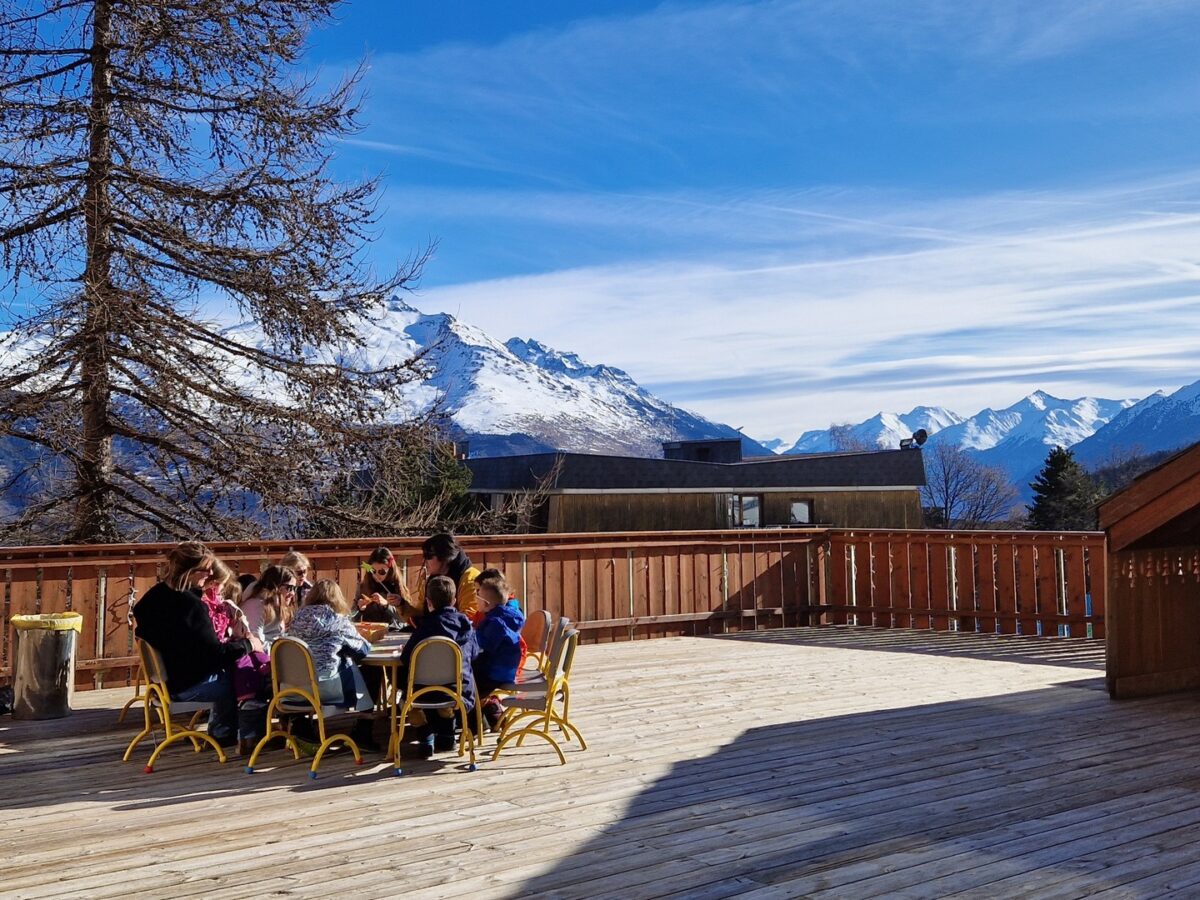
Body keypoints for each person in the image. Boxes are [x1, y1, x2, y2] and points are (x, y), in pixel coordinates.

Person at [132, 542, 250, 747]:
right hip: (186, 684)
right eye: (205, 570)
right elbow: (215, 656)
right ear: (188, 571)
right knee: (246, 677)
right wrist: (247, 645)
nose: (211, 573)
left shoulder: (152, 599)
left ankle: (220, 729)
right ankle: (228, 734)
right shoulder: (191, 606)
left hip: (163, 682)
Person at [286, 579, 378, 751]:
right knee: (355, 665)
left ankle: (300, 724)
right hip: (327, 687)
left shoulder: (296, 619)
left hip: (295, 687)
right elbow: (363, 650)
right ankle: (364, 726)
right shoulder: (338, 621)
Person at [398, 574, 478, 757]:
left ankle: (425, 735)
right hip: (457, 689)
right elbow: (473, 654)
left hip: (421, 690)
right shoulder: (465, 625)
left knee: (407, 697)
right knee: (445, 693)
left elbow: (406, 658)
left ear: (428, 602)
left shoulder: (424, 627)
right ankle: (447, 733)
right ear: (455, 600)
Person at [472, 569, 526, 731]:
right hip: (504, 666)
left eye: (478, 595)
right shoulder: (504, 615)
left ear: (487, 603)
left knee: (466, 683)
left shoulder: (496, 622)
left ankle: (474, 725)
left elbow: (482, 645)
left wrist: (469, 635)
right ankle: (484, 718)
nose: (475, 598)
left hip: (497, 671)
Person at [417, 533, 481, 621]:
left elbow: (469, 618)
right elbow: (419, 613)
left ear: (444, 556)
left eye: (428, 556)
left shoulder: (471, 578)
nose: (424, 560)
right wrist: (401, 604)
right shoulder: (430, 579)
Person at [241, 565, 297, 649]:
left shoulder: (277, 605)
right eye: (289, 588)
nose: (292, 593)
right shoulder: (256, 605)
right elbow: (254, 641)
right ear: (276, 586)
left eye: (295, 588)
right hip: (260, 658)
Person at [355, 547, 410, 626]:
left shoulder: (397, 586)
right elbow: (351, 617)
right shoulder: (363, 586)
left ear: (390, 570)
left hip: (394, 632)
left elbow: (405, 618)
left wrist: (386, 605)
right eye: (373, 571)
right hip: (370, 631)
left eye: (382, 572)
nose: (376, 575)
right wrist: (359, 609)